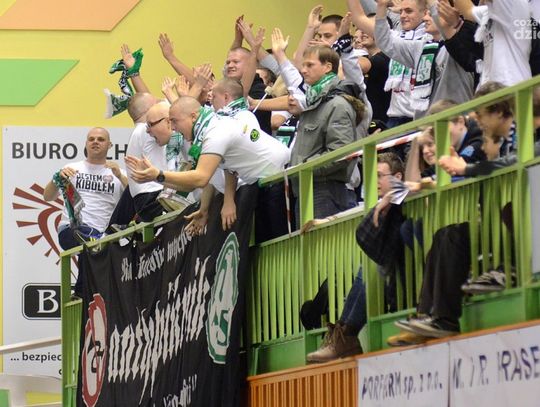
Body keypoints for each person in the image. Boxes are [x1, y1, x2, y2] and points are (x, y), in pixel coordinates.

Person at [306, 152, 406, 363]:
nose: (375, 181)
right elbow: (358, 214)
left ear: (398, 177)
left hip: (405, 271)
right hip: (389, 270)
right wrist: (325, 221)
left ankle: (346, 335)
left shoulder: (405, 195)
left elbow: (417, 184)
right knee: (368, 265)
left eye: (380, 175)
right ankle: (344, 332)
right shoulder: (380, 202)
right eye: (373, 176)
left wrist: (395, 193)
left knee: (372, 266)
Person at [125, 97, 290, 206]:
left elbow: (201, 178)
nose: (173, 127)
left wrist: (158, 175)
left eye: (174, 121)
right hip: (264, 181)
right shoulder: (204, 131)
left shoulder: (214, 132)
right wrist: (155, 177)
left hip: (277, 178)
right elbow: (226, 169)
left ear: (193, 117)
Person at [43, 127, 127, 296]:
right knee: (93, 244)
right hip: (71, 230)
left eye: (101, 139)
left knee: (95, 249)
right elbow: (48, 197)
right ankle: (84, 291)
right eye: (91, 139)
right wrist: (57, 177)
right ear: (86, 143)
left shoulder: (118, 173)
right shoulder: (72, 168)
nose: (95, 142)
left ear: (110, 145)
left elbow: (134, 200)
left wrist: (120, 176)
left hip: (104, 234)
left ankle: (83, 294)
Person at [290, 45, 364, 220]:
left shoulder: (337, 104)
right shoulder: (315, 101)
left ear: (328, 67)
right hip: (307, 188)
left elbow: (340, 151)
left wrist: (305, 167)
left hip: (324, 190)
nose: (303, 70)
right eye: (303, 65)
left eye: (310, 65)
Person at [108, 92, 165, 226]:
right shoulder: (146, 130)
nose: (160, 104)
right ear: (148, 110)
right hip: (153, 195)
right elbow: (180, 111)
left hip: (146, 197)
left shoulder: (138, 132)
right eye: (156, 103)